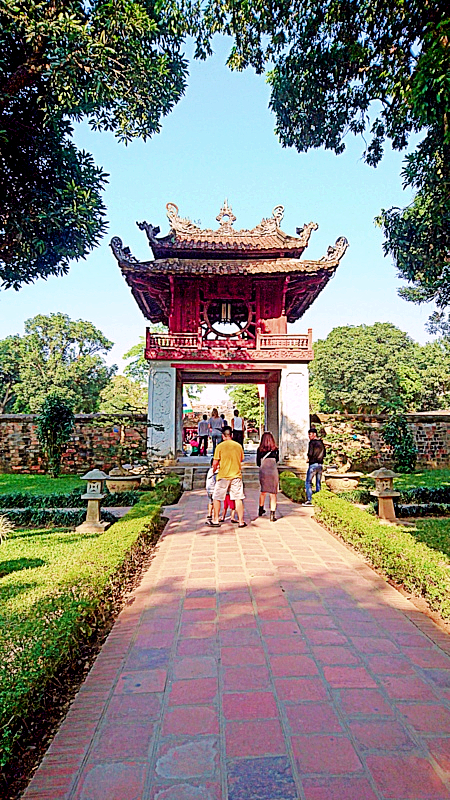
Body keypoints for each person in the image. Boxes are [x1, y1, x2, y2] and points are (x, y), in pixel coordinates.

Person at [208, 426, 246, 528]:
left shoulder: (219, 447)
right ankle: (241, 521)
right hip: (236, 475)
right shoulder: (238, 446)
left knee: (217, 498)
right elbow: (241, 459)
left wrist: (214, 469)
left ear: (223, 436)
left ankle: (215, 520)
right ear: (231, 435)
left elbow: (215, 462)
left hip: (223, 475)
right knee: (238, 498)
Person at [256, 431, 279, 522]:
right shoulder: (275, 450)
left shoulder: (260, 450)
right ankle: (272, 515)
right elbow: (277, 460)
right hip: (273, 471)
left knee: (263, 491)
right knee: (273, 493)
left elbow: (258, 463)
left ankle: (260, 509)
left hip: (264, 471)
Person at [304, 427, 326, 506]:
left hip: (313, 464)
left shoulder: (312, 443)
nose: (309, 436)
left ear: (314, 434)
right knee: (318, 482)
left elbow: (310, 453)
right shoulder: (321, 442)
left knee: (308, 482)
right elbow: (325, 454)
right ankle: (318, 499)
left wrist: (308, 458)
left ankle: (310, 500)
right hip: (320, 464)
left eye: (310, 434)